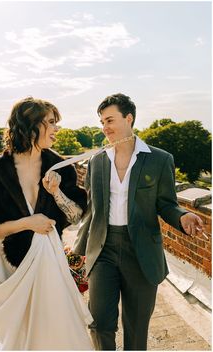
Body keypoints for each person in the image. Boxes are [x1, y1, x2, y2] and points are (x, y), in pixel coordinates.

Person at [73, 93, 205, 351]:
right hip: (103, 250)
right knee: (99, 323)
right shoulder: (97, 161)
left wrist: (183, 216)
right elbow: (92, 211)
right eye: (102, 121)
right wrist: (78, 250)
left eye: (110, 120)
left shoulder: (160, 159)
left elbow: (166, 204)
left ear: (129, 118)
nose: (105, 127)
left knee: (136, 326)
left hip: (141, 251)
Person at [0, 97, 93, 350]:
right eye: (51, 123)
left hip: (52, 262)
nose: (56, 129)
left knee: (60, 333)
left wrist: (56, 193)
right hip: (14, 267)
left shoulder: (60, 166)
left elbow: (76, 216)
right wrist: (27, 223)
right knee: (24, 340)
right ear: (31, 125)